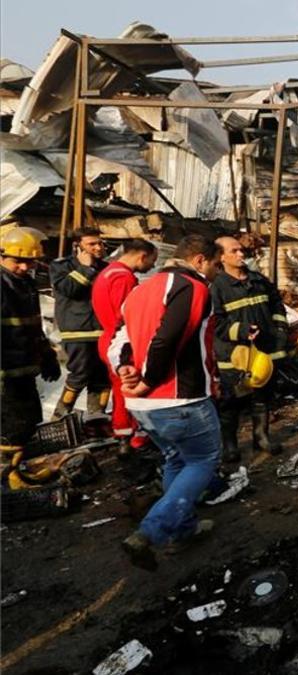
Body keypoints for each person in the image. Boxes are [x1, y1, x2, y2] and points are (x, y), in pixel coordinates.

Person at [107, 235, 223, 571]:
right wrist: (148, 379)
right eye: (215, 264)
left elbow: (119, 338)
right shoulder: (191, 287)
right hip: (178, 396)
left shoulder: (140, 289)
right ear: (199, 260)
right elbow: (169, 337)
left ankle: (181, 531)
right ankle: (149, 532)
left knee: (176, 459)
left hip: (143, 405)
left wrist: (126, 368)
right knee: (203, 460)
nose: (215, 272)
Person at [210, 236, 288, 463]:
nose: (241, 254)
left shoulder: (259, 281)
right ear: (221, 257)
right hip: (234, 357)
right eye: (234, 251)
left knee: (263, 397)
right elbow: (216, 322)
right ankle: (230, 446)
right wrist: (242, 330)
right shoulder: (217, 287)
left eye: (241, 250)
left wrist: (281, 331)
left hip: (263, 353)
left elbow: (277, 306)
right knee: (230, 403)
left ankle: (261, 437)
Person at [93, 238, 158, 455]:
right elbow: (126, 314)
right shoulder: (124, 278)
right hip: (123, 342)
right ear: (142, 255)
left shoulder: (106, 273)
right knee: (134, 391)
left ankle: (123, 435)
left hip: (108, 340)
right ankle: (137, 440)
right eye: (152, 261)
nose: (152, 266)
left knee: (120, 392)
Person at [1, 226, 60, 457]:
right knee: (8, 427)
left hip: (23, 369)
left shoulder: (25, 285)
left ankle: (18, 470)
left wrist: (47, 355)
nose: (25, 267)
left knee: (28, 421)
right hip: (5, 373)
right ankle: (7, 480)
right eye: (18, 261)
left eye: (31, 262)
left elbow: (33, 327)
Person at [49, 228, 109, 419]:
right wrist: (86, 268)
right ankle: (59, 416)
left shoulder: (106, 267)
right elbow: (70, 289)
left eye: (100, 243)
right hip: (78, 332)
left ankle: (97, 418)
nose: (98, 247)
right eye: (92, 244)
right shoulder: (61, 266)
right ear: (77, 246)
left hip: (103, 332)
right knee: (80, 374)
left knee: (102, 377)